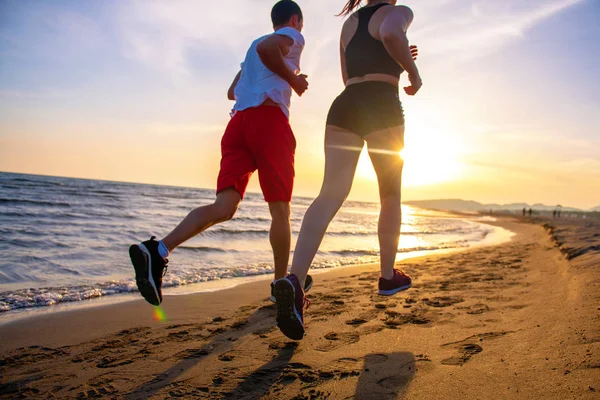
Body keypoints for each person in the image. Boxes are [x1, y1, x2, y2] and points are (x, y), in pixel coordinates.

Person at [128, 0, 313, 307]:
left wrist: (272, 77)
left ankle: (158, 250)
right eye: (300, 25)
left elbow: (233, 90)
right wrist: (293, 79)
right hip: (268, 121)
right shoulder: (288, 36)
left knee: (224, 206)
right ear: (294, 20)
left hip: (238, 124)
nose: (298, 33)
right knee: (280, 210)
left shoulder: (251, 49)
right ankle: (281, 287)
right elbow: (270, 49)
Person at [273, 0, 422, 340]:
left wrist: (400, 56)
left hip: (345, 105)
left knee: (330, 194)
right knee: (390, 194)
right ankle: (387, 276)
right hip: (382, 103)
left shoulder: (349, 23)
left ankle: (294, 280)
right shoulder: (399, 12)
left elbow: (349, 73)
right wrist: (413, 72)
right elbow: (389, 33)